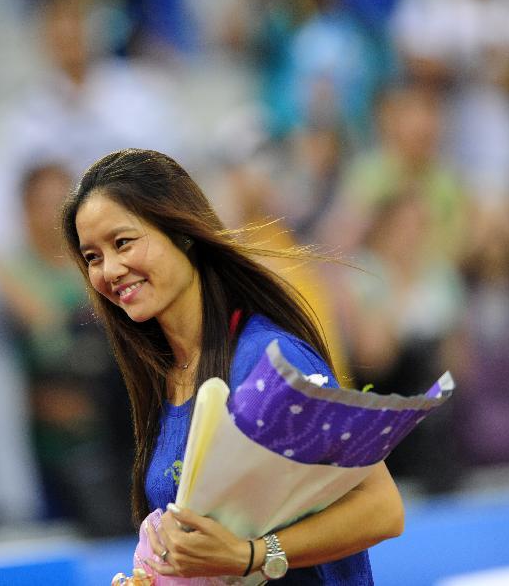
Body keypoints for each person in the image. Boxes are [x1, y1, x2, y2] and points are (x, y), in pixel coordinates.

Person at [61, 149, 404, 584]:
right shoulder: (163, 375)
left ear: (182, 232)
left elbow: (382, 508)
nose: (110, 269)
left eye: (123, 242)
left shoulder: (271, 361)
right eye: (92, 257)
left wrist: (253, 554)